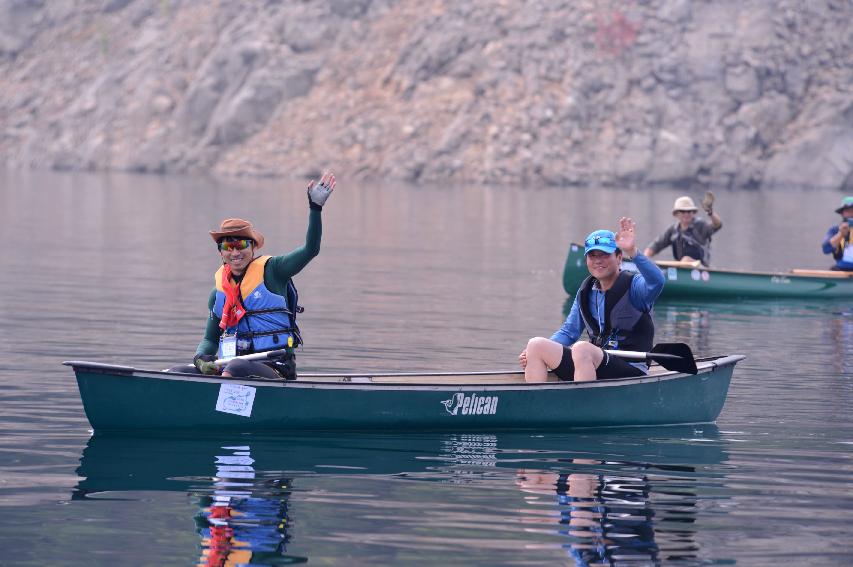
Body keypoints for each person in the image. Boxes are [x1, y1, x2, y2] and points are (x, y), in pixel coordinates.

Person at [171, 172, 336, 380]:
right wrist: (201, 358)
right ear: (220, 252)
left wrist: (315, 208)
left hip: (275, 367)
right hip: (230, 368)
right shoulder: (217, 294)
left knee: (238, 367)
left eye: (240, 244)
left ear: (253, 247)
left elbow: (310, 249)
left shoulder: (274, 270)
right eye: (228, 246)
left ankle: (224, 408)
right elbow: (209, 339)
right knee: (180, 372)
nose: (235, 252)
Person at [519, 218, 664, 382]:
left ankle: (583, 404)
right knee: (536, 345)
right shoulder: (585, 291)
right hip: (591, 363)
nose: (598, 260)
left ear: (619, 258)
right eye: (592, 255)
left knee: (581, 349)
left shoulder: (635, 286)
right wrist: (529, 354)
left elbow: (657, 281)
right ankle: (538, 403)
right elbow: (569, 332)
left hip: (631, 369)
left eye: (604, 255)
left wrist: (633, 252)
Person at [643, 192, 722, 266]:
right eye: (683, 211)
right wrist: (644, 259)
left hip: (701, 269)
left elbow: (717, 225)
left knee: (686, 259)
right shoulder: (673, 230)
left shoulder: (700, 225)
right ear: (676, 214)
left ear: (693, 213)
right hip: (681, 267)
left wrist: (710, 212)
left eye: (689, 211)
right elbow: (656, 245)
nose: (686, 214)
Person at [822, 196, 853, 271]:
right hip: (841, 270)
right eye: (848, 211)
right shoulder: (835, 229)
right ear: (842, 213)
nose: (852, 214)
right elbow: (826, 250)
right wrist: (841, 235)